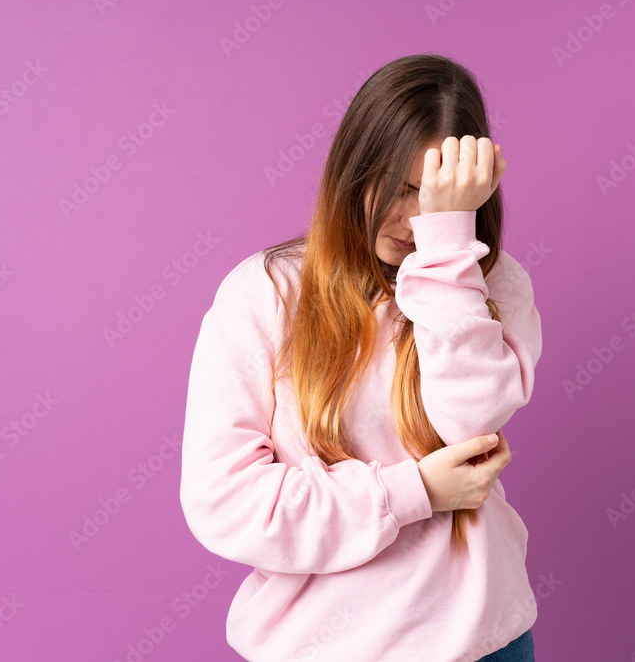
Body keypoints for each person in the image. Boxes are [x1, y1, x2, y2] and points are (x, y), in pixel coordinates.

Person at [179, 53, 542, 662]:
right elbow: (226, 502)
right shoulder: (268, 293)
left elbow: (469, 424)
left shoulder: (492, 284)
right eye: (399, 189)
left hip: (484, 642)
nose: (412, 219)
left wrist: (450, 243)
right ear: (354, 168)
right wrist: (414, 490)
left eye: (438, 198)